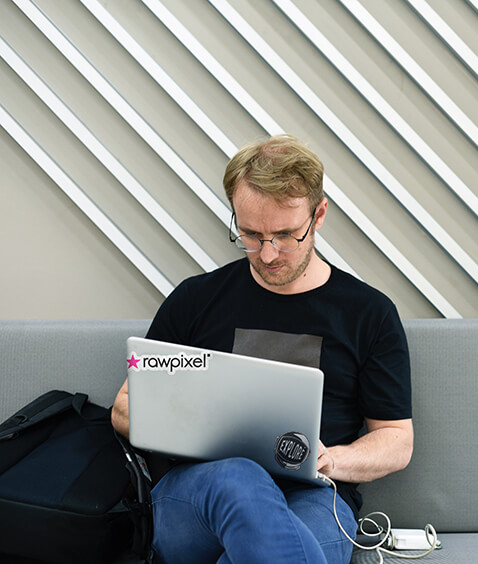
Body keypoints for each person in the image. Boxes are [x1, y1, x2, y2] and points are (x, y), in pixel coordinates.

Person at [111, 134, 414, 564]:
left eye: (286, 235)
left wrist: (331, 460)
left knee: (270, 545)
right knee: (240, 476)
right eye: (251, 234)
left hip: (314, 498)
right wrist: (194, 427)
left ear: (319, 214)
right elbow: (123, 407)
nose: (268, 254)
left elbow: (396, 439)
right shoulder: (196, 300)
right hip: (198, 494)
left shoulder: (369, 313)